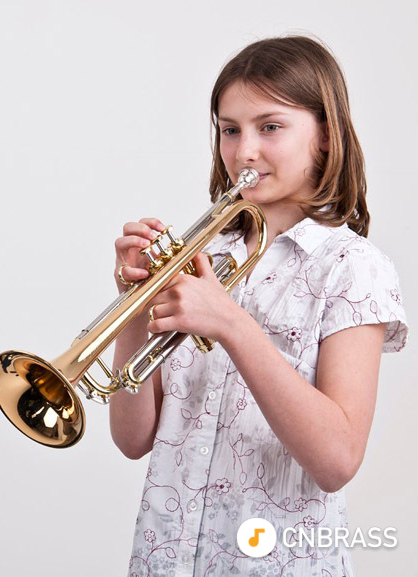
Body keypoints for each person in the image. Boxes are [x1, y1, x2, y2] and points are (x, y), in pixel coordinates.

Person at [108, 36, 408, 576]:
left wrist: (232, 325)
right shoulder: (202, 258)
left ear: (325, 136)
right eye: (230, 130)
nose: (244, 151)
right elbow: (133, 440)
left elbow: (337, 461)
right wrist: (134, 308)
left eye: (270, 127)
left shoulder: (352, 267)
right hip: (164, 560)